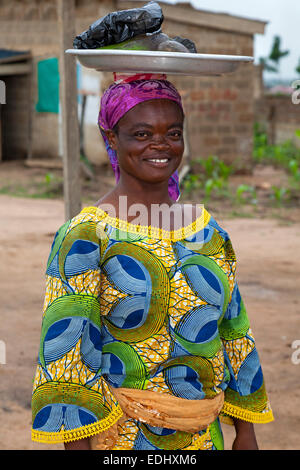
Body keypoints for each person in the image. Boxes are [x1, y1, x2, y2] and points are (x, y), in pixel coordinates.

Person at [31, 74, 274, 451]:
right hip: (123, 440)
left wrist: (246, 432)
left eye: (173, 133)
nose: (160, 144)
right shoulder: (87, 236)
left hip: (202, 438)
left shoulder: (208, 233)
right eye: (142, 134)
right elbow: (69, 359)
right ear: (111, 139)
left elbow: (234, 333)